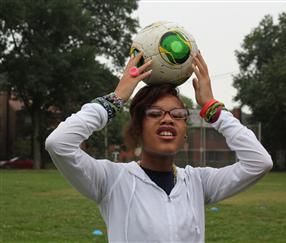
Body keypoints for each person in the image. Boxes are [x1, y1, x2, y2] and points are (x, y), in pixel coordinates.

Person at [45, 51, 273, 243]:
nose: (167, 119)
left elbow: (259, 162)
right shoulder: (111, 180)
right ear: (137, 129)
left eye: (178, 115)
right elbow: (59, 143)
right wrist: (116, 98)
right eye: (154, 114)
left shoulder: (197, 182)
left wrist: (213, 109)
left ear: (185, 132)